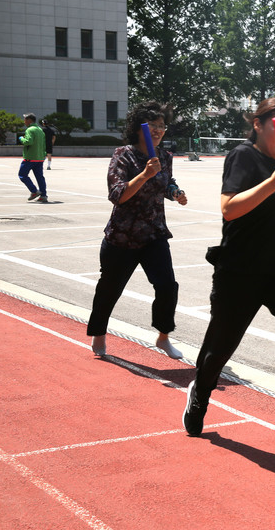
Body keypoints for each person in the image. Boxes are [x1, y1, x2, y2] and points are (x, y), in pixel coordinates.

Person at [183, 97, 275, 444]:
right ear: (258, 124)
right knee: (220, 347)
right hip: (240, 270)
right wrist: (272, 182)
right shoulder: (242, 157)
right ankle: (201, 394)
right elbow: (229, 210)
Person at [86, 102, 187, 359]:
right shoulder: (123, 154)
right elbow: (117, 195)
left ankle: (163, 337)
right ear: (138, 127)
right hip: (123, 236)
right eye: (152, 126)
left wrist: (175, 192)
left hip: (154, 233)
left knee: (167, 286)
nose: (158, 131)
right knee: (109, 288)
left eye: (162, 126)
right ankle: (99, 334)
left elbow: (165, 183)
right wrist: (143, 175)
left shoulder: (164, 157)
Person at [18, 113, 48, 202]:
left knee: (22, 175)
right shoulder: (40, 130)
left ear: (29, 120)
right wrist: (43, 155)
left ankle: (34, 191)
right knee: (40, 177)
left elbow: (28, 141)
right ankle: (43, 195)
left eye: (25, 120)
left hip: (30, 158)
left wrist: (21, 138)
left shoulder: (30, 130)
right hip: (40, 158)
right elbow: (43, 145)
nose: (24, 122)